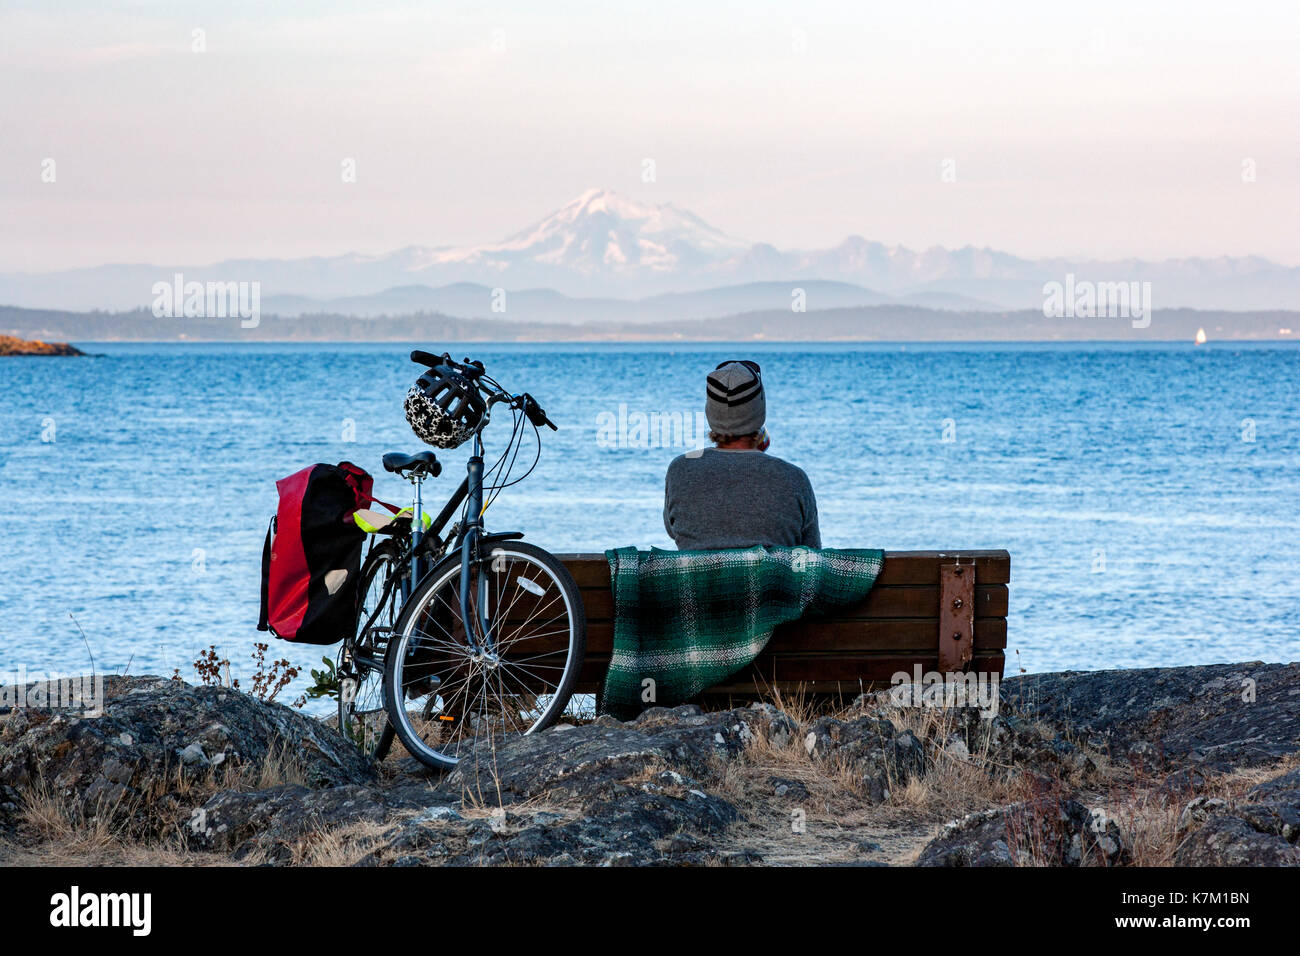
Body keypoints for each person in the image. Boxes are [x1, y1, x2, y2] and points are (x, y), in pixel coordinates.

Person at [663, 360, 821, 550]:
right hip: (772, 581)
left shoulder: (680, 470)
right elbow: (812, 557)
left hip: (697, 580)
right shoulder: (794, 479)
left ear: (710, 411)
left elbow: (675, 531)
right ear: (760, 410)